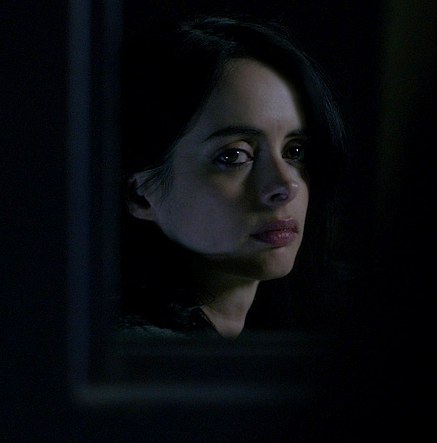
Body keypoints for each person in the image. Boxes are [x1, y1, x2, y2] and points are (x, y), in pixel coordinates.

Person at [115, 15, 352, 340]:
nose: (286, 186)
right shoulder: (139, 353)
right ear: (140, 195)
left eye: (294, 151)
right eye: (234, 156)